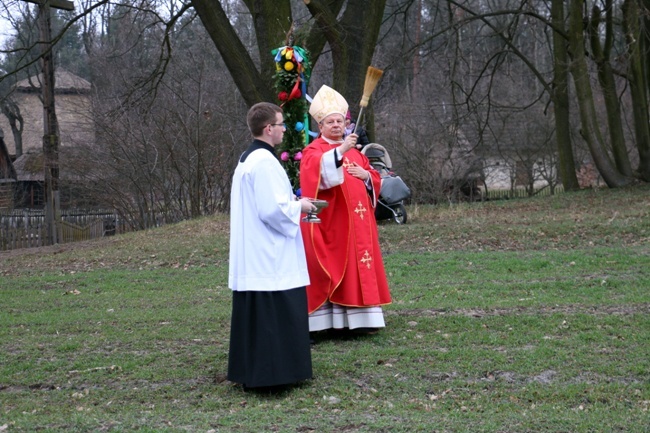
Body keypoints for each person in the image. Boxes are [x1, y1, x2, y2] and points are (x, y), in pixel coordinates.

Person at [228, 102, 317, 390]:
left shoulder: (247, 159)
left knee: (259, 319)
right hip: (269, 256)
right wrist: (300, 206)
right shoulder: (265, 163)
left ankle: (255, 372)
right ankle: (274, 376)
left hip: (255, 253)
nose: (284, 129)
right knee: (273, 318)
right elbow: (270, 211)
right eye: (281, 124)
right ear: (269, 129)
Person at [299, 85, 391, 335]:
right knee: (334, 269)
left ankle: (362, 321)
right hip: (333, 225)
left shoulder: (357, 153)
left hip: (360, 225)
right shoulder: (314, 150)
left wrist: (367, 176)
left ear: (345, 123)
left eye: (340, 121)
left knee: (359, 267)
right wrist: (341, 151)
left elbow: (373, 177)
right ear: (321, 126)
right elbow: (315, 175)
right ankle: (328, 324)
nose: (336, 125)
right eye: (331, 122)